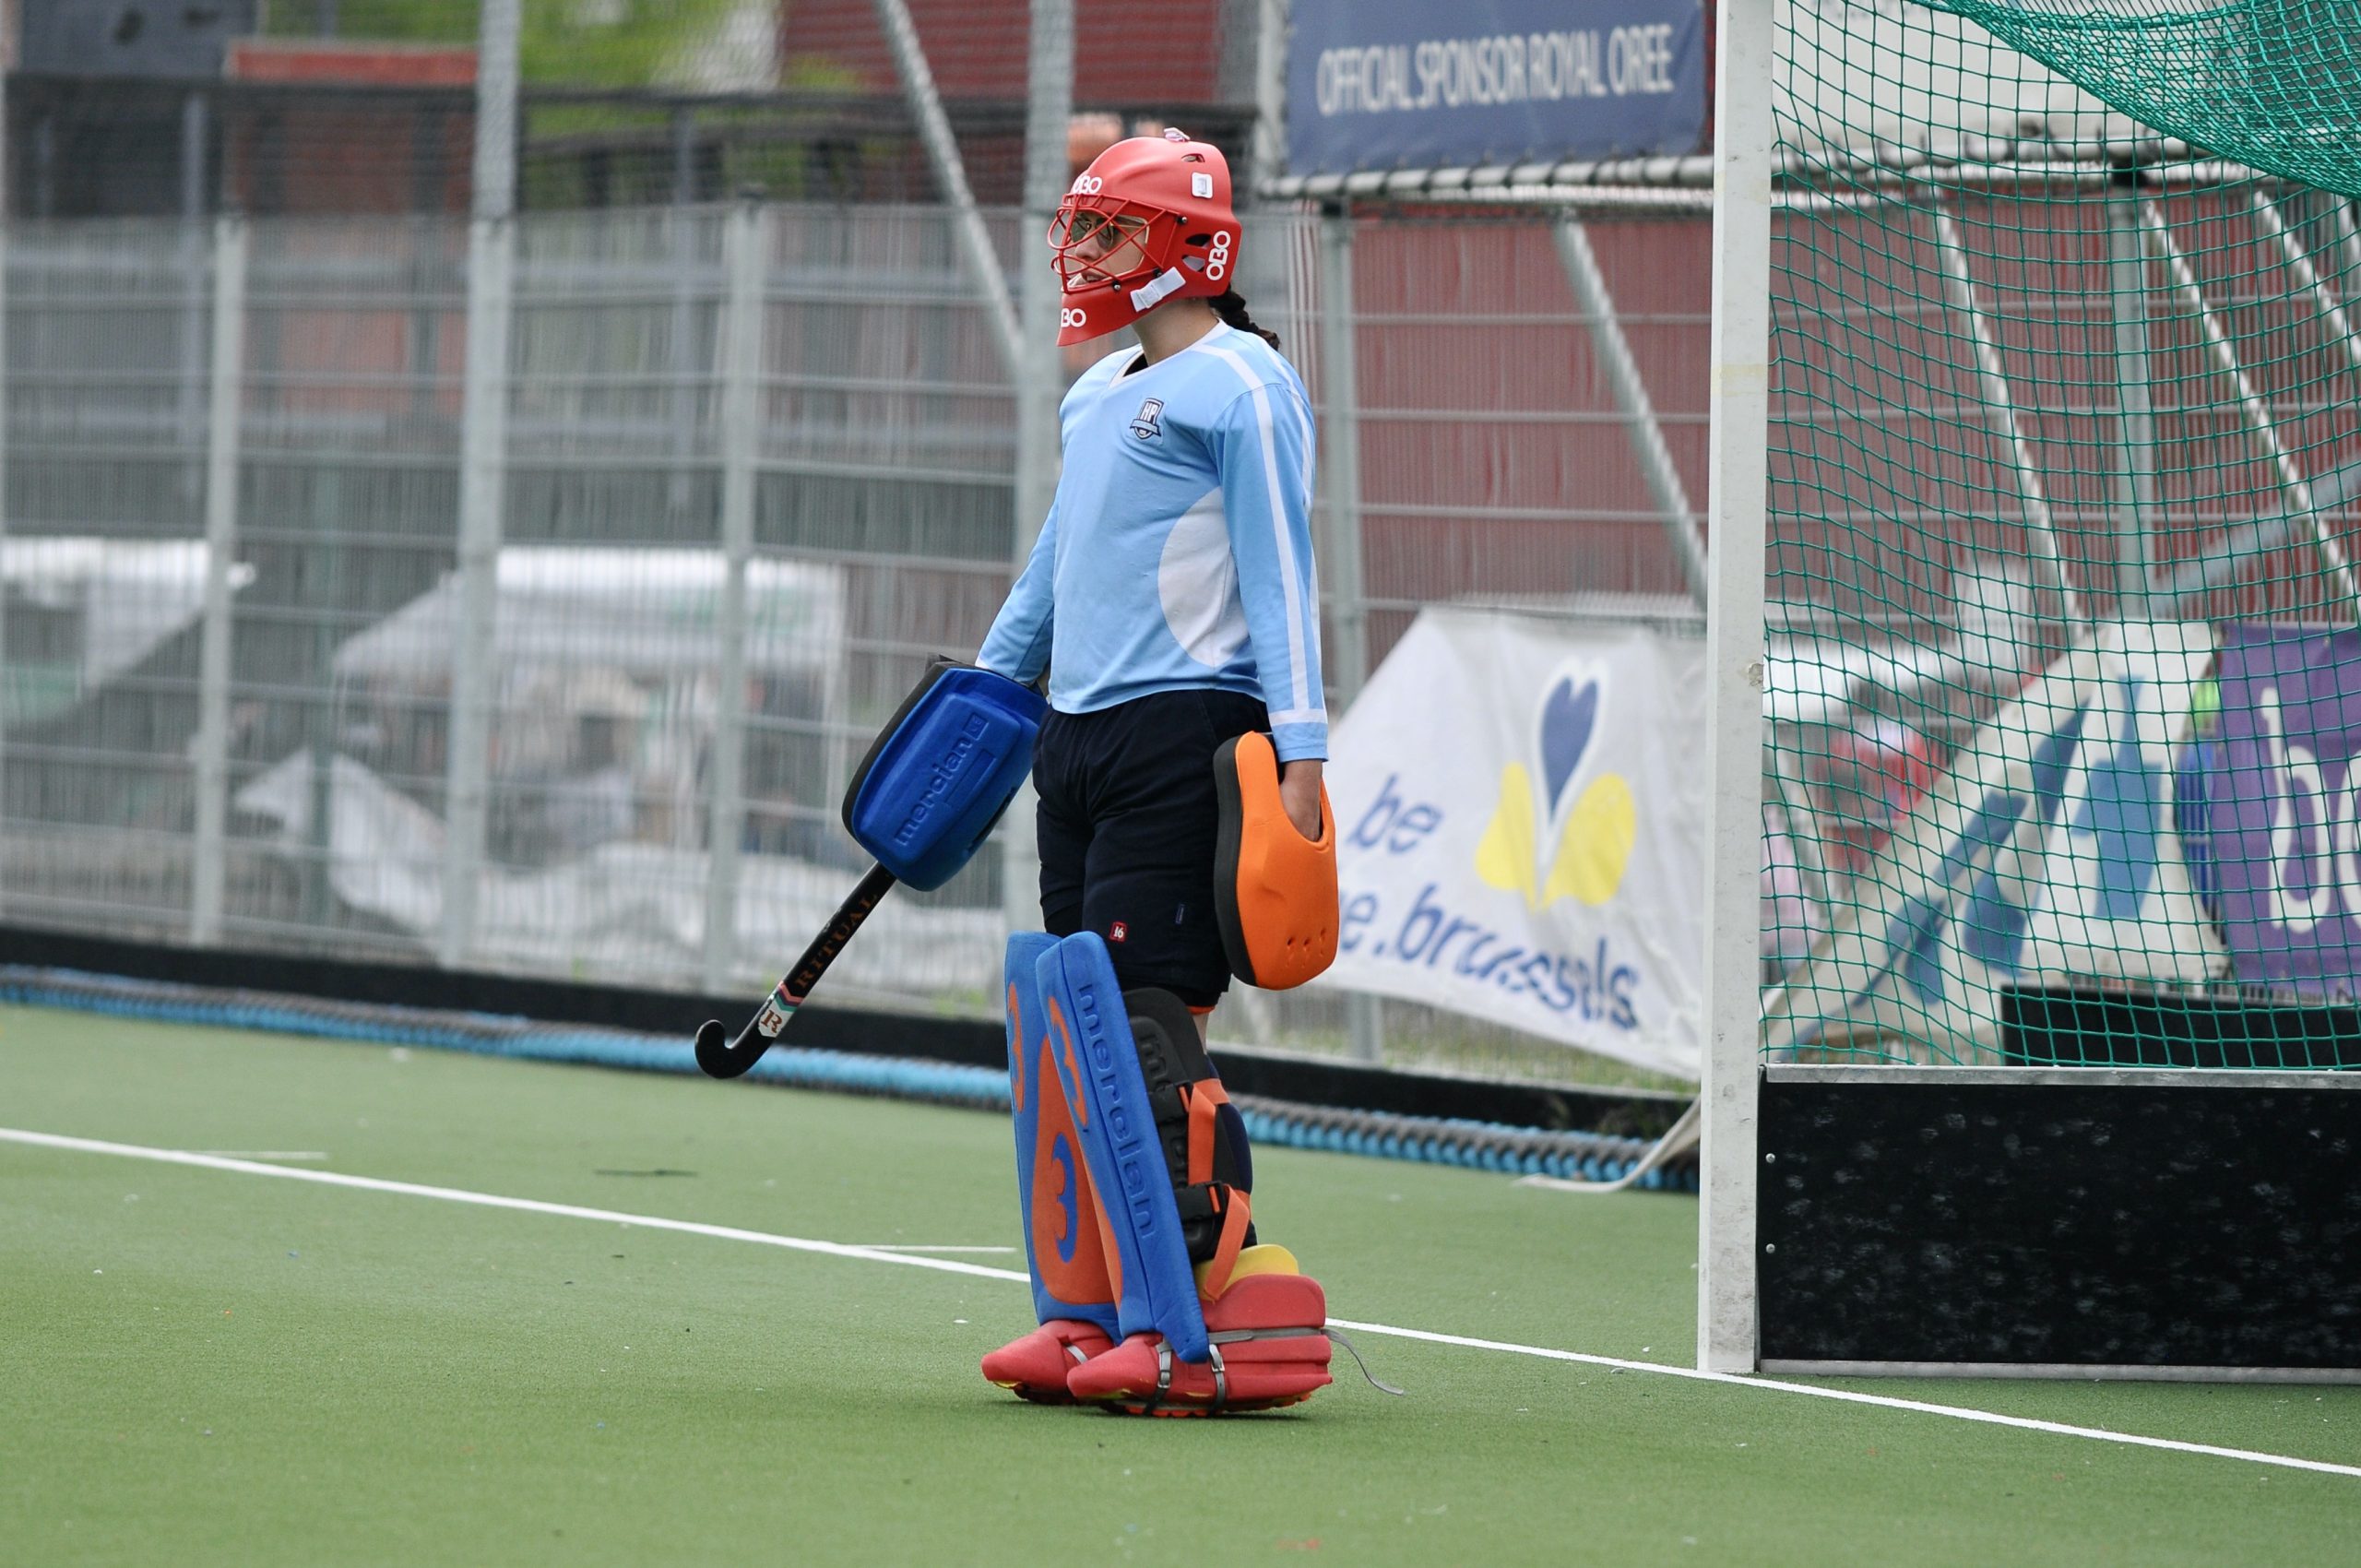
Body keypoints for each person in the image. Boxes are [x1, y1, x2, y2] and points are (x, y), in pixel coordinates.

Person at [973, 129, 1335, 1415]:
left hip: (1186, 734)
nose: (1082, 252)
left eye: (1110, 229)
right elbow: (1055, 563)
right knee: (1069, 1025)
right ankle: (1087, 1319)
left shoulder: (1244, 385)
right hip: (1074, 738)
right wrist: (981, 698)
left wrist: (1303, 752)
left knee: (1146, 1020)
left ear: (1192, 247)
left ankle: (1183, 1316)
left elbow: (1282, 571)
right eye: (1078, 228)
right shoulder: (1096, 395)